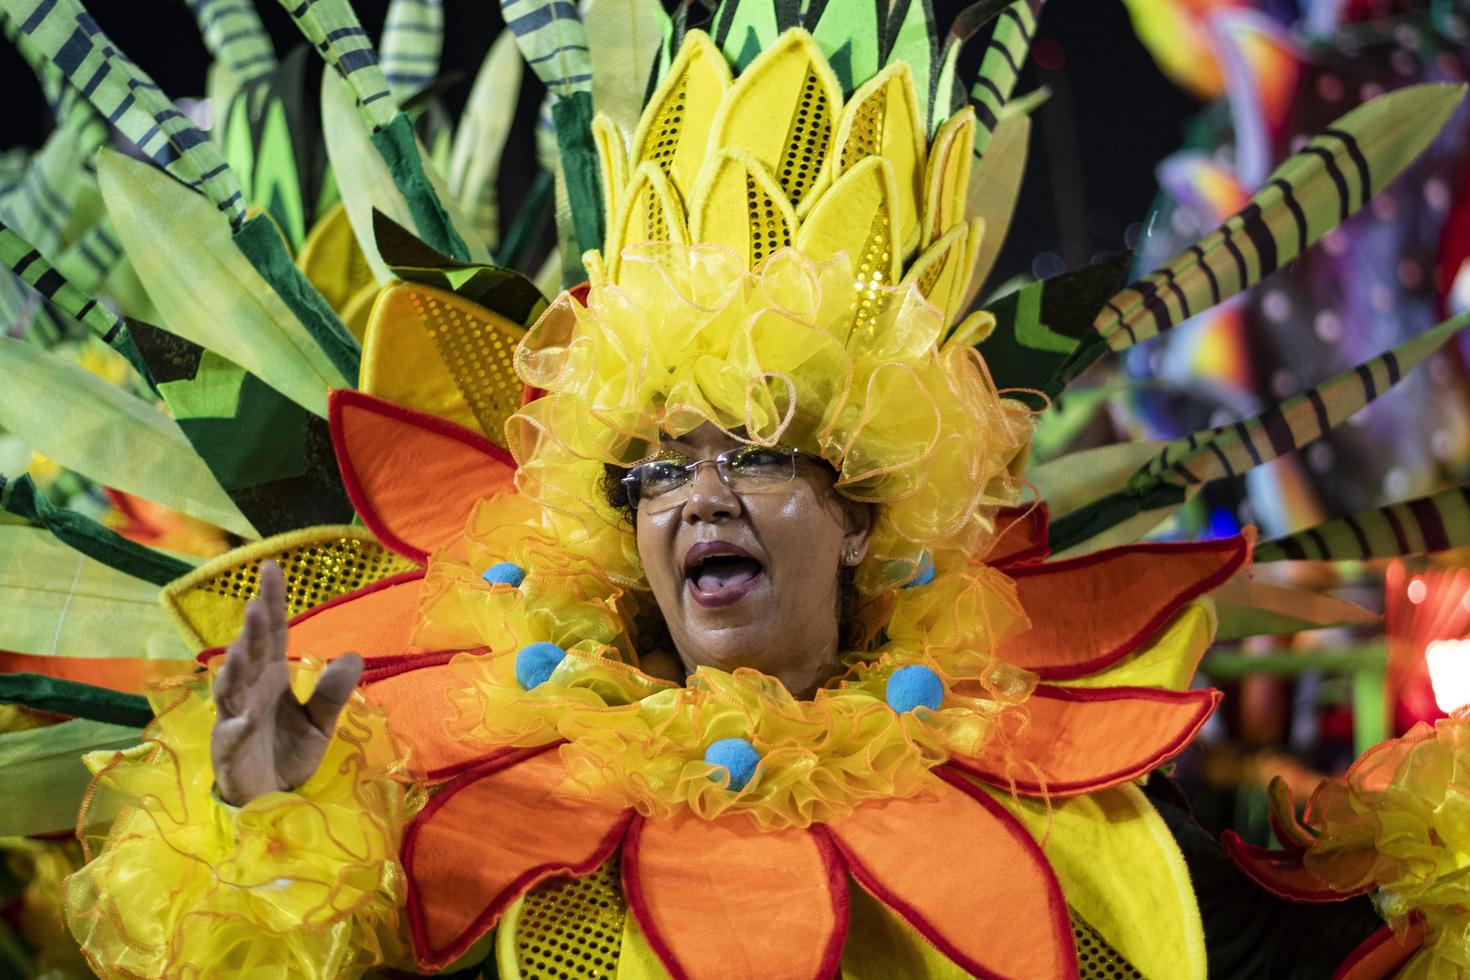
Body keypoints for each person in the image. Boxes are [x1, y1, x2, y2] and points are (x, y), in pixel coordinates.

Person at [8, 0, 1458, 975]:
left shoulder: (1024, 761)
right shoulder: (450, 767)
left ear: (864, 511)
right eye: (655, 466)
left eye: (759, 453)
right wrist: (268, 838)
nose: (696, 493)